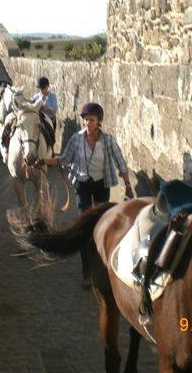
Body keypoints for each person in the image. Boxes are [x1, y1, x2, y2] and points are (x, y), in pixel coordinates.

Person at [43, 102, 133, 288]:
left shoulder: (108, 141)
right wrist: (43, 161)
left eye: (91, 120)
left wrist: (128, 185)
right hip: (82, 185)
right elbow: (65, 159)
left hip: (101, 185)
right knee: (85, 227)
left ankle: (103, 267)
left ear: (99, 121)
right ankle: (87, 272)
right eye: (85, 120)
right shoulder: (77, 139)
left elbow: (120, 163)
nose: (87, 123)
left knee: (103, 226)